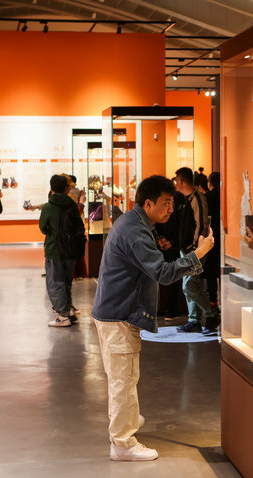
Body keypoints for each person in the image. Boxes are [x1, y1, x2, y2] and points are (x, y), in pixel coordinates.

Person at [91, 175, 214, 461]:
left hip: (116, 311)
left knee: (125, 376)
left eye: (172, 203)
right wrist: (199, 253)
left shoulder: (135, 223)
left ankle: (125, 420)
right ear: (148, 203)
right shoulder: (135, 230)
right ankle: (122, 443)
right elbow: (163, 273)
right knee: (123, 380)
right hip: (119, 313)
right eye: (166, 203)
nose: (171, 209)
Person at [173, 167, 220, 334]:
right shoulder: (189, 198)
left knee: (189, 285)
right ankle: (194, 320)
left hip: (194, 250)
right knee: (190, 284)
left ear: (181, 181)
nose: (176, 184)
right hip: (188, 249)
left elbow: (201, 224)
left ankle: (211, 314)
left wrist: (195, 248)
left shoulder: (197, 198)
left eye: (176, 181)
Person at [39, 174, 84, 327]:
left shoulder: (48, 207)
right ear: (66, 188)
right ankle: (68, 309)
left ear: (51, 188)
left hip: (54, 249)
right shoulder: (72, 205)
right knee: (66, 281)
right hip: (70, 249)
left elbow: (42, 228)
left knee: (55, 282)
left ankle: (63, 316)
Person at [203, 172, 222, 307]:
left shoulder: (207, 197)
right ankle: (224, 299)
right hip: (223, 236)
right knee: (221, 271)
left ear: (209, 183)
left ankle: (213, 301)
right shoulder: (225, 195)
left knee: (211, 272)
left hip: (210, 235)